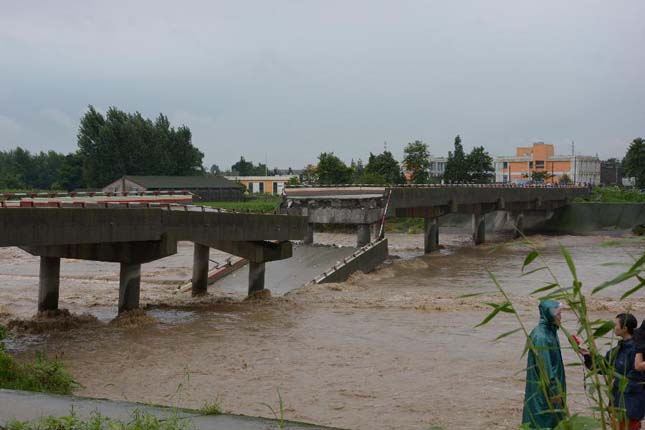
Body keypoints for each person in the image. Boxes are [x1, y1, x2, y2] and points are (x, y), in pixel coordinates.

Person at [580, 313, 645, 430]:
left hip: (630, 404)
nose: (613, 327)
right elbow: (604, 367)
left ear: (625, 329)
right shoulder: (620, 348)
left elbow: (637, 379)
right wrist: (589, 356)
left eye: (616, 325)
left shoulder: (637, 349)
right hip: (620, 403)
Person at [522, 300, 567, 429]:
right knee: (542, 422)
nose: (560, 317)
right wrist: (555, 392)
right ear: (550, 315)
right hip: (544, 393)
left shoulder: (550, 331)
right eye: (558, 314)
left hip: (550, 390)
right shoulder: (541, 336)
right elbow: (545, 369)